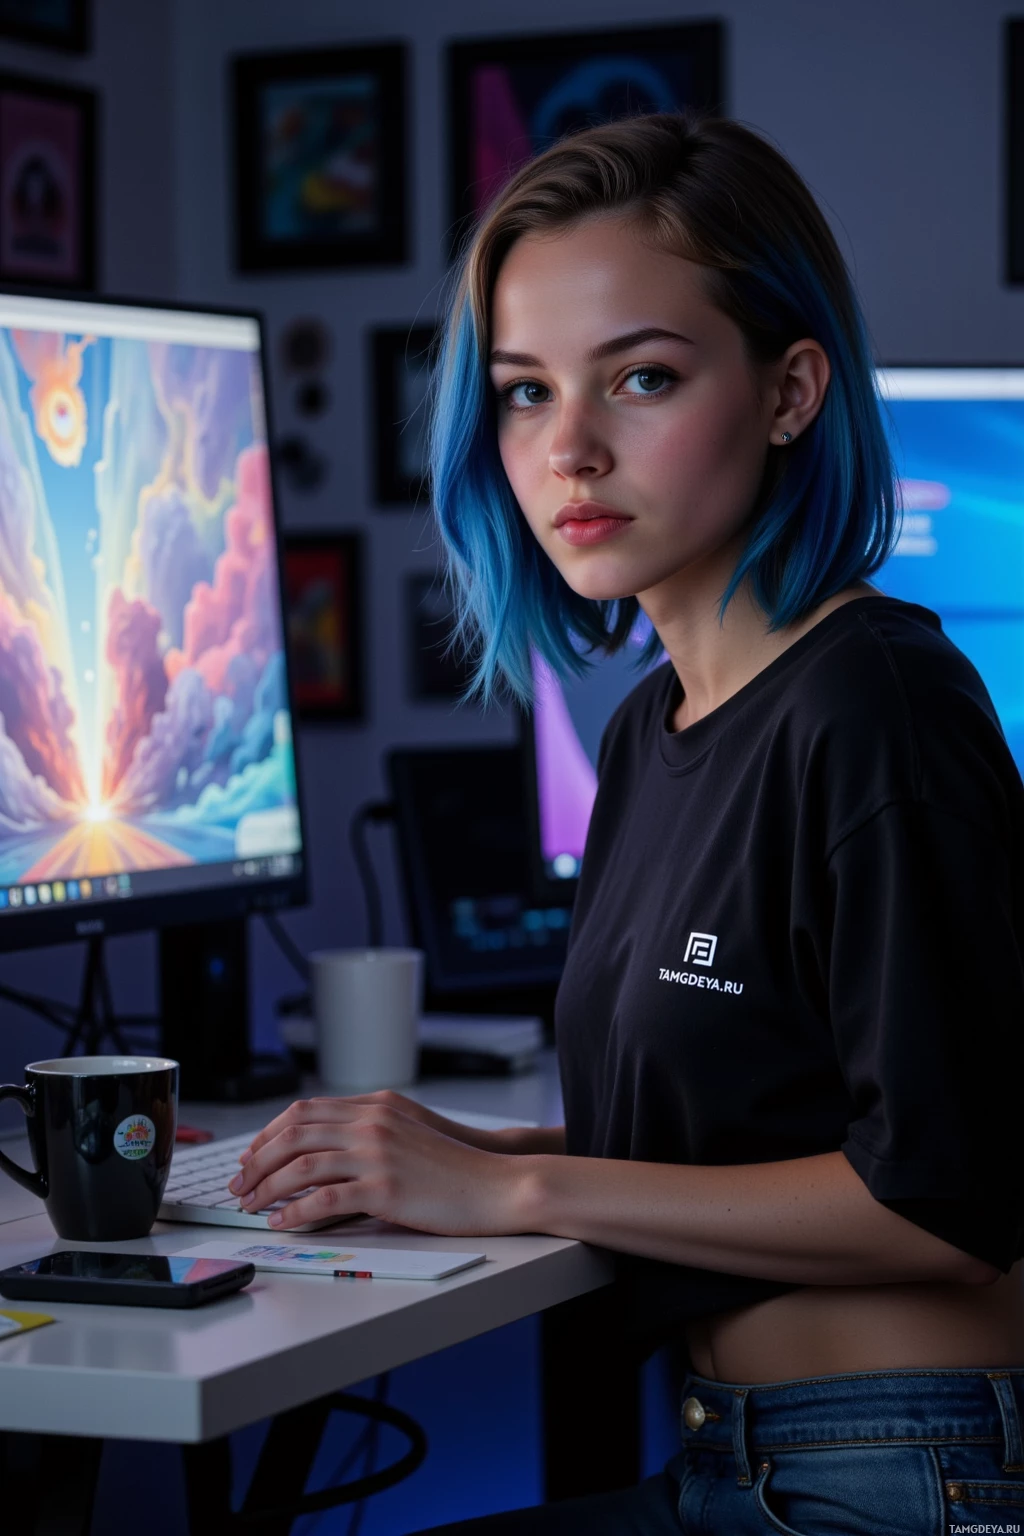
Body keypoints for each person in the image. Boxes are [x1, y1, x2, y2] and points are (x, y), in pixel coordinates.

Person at [230, 112, 1024, 1532]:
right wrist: (446, 1160)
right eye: (525, 393)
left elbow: (946, 1200)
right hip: (737, 1459)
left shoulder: (876, 701)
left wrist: (515, 1186)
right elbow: (719, 1129)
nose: (571, 450)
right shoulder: (650, 730)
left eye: (642, 377)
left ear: (790, 393)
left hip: (903, 1470)